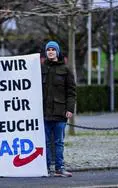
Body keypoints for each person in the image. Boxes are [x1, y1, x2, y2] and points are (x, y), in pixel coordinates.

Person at [41, 41, 76, 177]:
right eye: (48, 49)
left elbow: (71, 92)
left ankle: (59, 168)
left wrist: (70, 109)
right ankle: (46, 168)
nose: (50, 52)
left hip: (60, 112)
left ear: (57, 52)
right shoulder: (41, 68)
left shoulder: (66, 70)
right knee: (46, 142)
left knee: (59, 142)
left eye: (53, 50)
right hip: (44, 113)